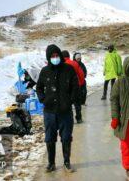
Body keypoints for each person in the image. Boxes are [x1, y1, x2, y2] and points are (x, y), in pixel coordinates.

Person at [36, 44, 79, 173]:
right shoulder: (44, 71)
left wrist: (70, 100)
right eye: (52, 56)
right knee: (50, 138)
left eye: (57, 55)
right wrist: (43, 99)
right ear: (49, 58)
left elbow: (75, 86)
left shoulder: (69, 69)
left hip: (65, 112)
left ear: (60, 55)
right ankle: (51, 163)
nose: (55, 58)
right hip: (49, 112)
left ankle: (67, 162)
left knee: (66, 137)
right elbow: (39, 88)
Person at [62, 50, 85, 123]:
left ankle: (69, 119)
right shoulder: (75, 63)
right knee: (77, 103)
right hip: (76, 87)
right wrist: (80, 83)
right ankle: (79, 118)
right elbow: (81, 74)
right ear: (69, 56)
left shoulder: (61, 65)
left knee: (67, 105)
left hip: (65, 88)